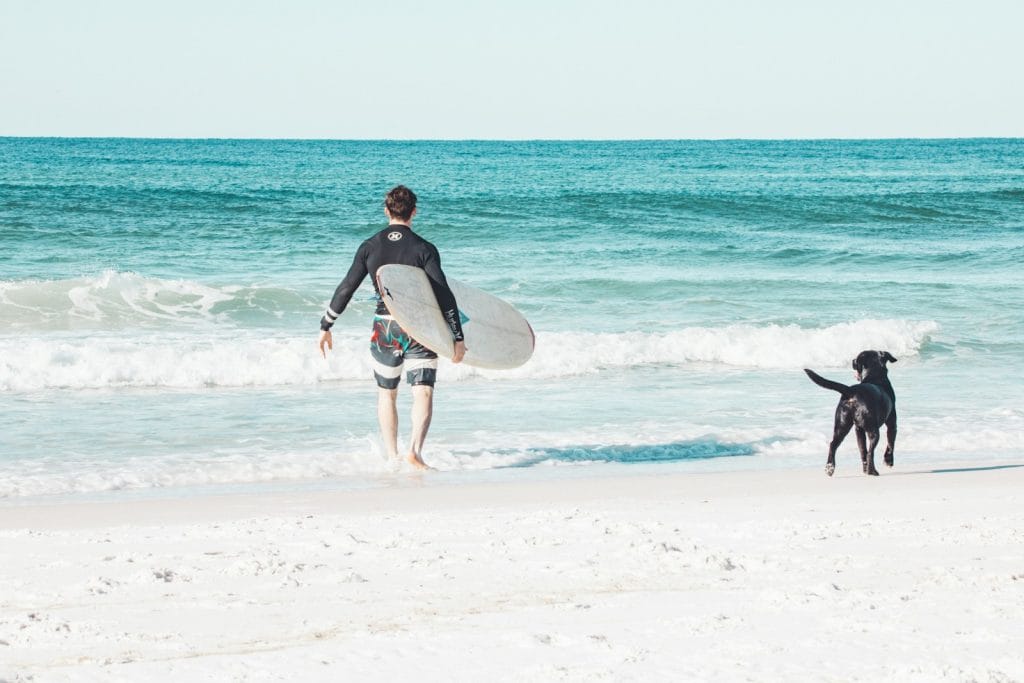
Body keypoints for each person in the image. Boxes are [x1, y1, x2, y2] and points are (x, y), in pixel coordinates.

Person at [318, 186, 466, 470]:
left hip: (385, 329)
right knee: (422, 391)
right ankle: (415, 453)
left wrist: (327, 324)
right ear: (414, 212)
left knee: (387, 392)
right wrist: (457, 336)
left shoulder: (369, 246)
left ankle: (392, 456)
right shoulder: (424, 248)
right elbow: (444, 294)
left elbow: (347, 287)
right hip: (420, 329)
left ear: (386, 210)